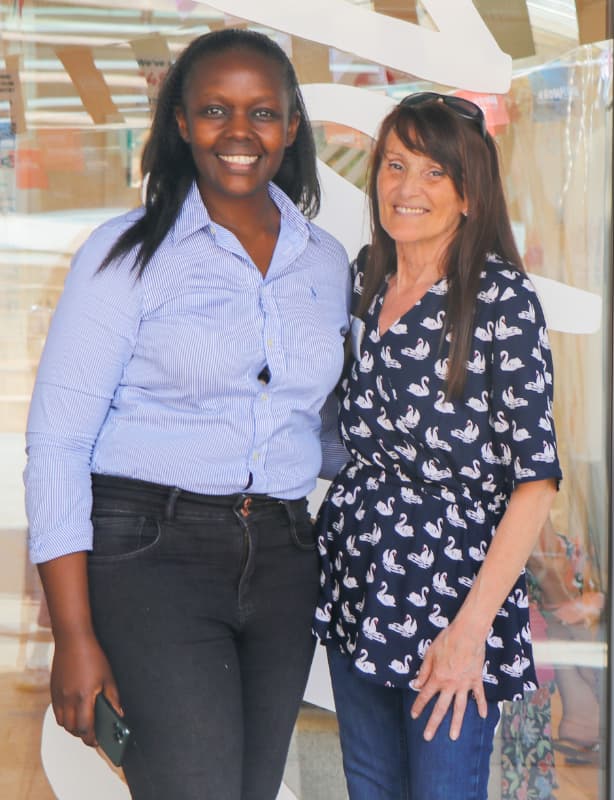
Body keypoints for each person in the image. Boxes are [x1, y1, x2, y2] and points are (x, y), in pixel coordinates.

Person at [24, 28, 349, 800]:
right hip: (151, 556)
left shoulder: (328, 261)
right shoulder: (125, 255)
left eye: (262, 113)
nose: (239, 134)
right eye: (214, 110)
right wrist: (72, 637)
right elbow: (59, 443)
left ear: (292, 126)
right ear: (179, 122)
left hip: (283, 556)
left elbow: (323, 430)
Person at [314, 92, 562, 800]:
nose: (406, 188)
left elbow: (535, 479)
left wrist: (469, 630)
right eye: (395, 165)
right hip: (359, 571)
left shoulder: (500, 300)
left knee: (444, 790)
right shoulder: (364, 277)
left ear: (468, 194)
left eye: (431, 172)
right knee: (371, 786)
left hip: (453, 588)